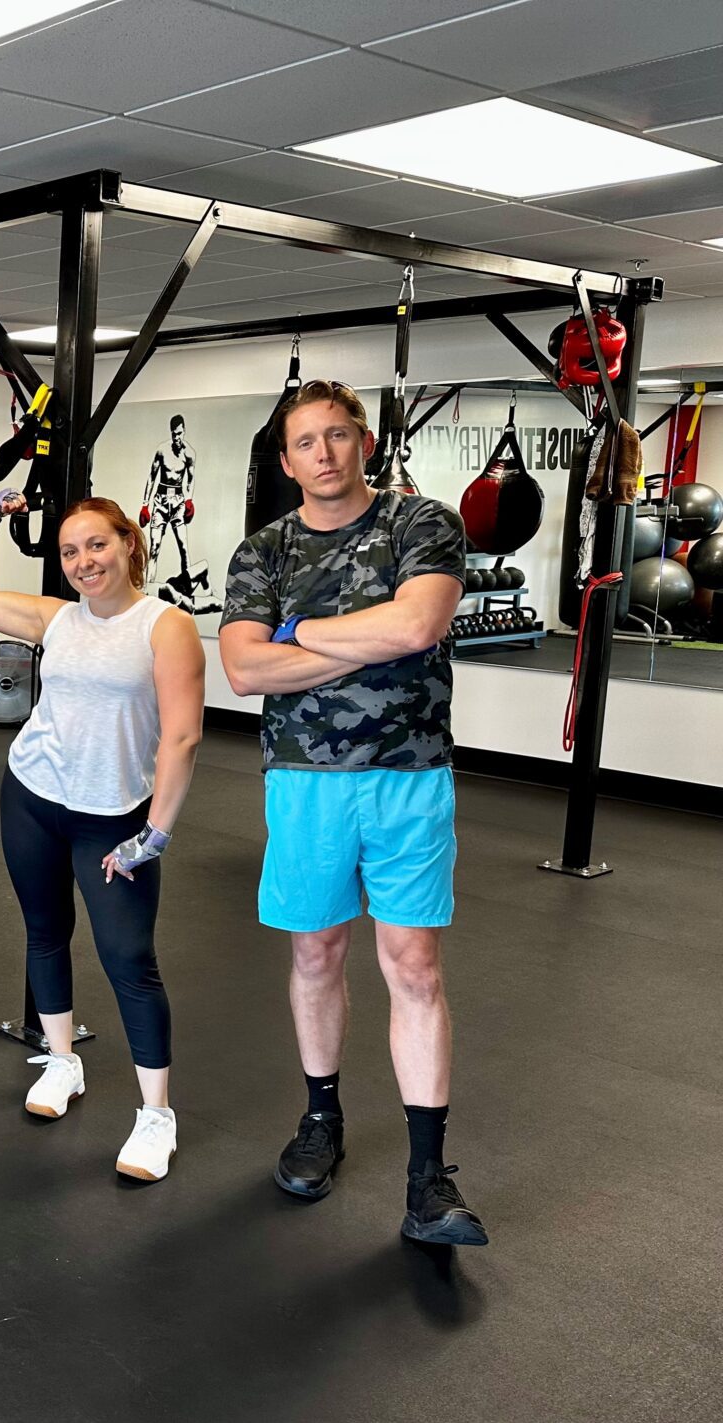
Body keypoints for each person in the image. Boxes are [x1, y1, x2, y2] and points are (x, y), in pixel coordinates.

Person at [218, 378, 486, 1247]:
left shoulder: (420, 523)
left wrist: (295, 634)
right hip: (305, 778)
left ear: (363, 441)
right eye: (306, 442)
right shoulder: (264, 551)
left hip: (410, 774)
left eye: (338, 435)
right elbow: (243, 673)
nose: (324, 453)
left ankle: (428, 1178)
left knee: (413, 965)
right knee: (317, 951)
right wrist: (345, 638)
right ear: (287, 458)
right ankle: (321, 1120)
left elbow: (416, 629)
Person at [0, 489, 204, 1181]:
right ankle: (63, 1061)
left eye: (97, 544)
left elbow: (182, 737)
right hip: (33, 795)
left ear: (128, 543)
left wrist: (153, 836)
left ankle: (156, 1115)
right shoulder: (58, 619)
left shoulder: (166, 625)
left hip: (115, 817)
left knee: (129, 959)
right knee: (44, 932)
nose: (84, 560)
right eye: (70, 551)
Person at [143, 414, 198, 591]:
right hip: (160, 501)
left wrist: (189, 500)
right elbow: (152, 478)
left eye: (180, 434)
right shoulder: (162, 450)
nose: (177, 438)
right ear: (171, 433)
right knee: (155, 548)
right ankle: (149, 590)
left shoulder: (189, 454)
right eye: (174, 434)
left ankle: (187, 590)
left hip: (178, 502)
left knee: (183, 547)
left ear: (184, 432)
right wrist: (145, 504)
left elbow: (190, 479)